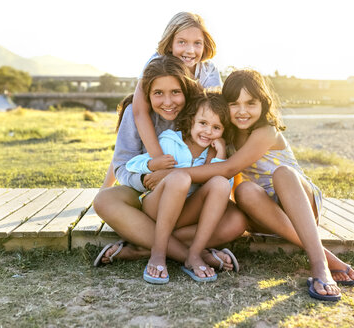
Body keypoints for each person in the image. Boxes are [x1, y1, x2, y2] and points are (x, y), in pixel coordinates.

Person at [144, 69, 354, 301]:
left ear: (263, 104)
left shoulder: (266, 131)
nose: (243, 111)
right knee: (243, 191)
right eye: (235, 104)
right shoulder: (226, 133)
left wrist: (171, 173)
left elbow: (228, 169)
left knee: (283, 173)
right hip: (261, 213)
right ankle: (148, 246)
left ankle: (321, 263)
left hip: (300, 206)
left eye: (251, 103)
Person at [93, 55, 245, 275]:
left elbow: (220, 181)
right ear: (147, 94)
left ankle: (140, 248)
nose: (168, 102)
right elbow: (124, 165)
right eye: (158, 93)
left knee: (236, 221)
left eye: (175, 92)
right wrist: (147, 176)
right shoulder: (160, 132)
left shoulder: (205, 115)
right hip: (153, 196)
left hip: (190, 206)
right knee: (104, 200)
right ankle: (192, 255)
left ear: (186, 92)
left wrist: (212, 158)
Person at [101, 12, 221, 188]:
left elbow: (217, 111)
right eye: (182, 42)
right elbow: (139, 110)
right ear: (170, 43)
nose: (189, 50)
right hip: (158, 116)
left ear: (205, 45)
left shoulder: (208, 71)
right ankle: (105, 188)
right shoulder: (156, 62)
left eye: (197, 43)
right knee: (131, 133)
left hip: (189, 117)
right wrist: (157, 160)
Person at [126, 91, 233, 283]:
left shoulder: (213, 153)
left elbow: (223, 192)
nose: (208, 131)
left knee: (221, 183)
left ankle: (194, 254)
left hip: (184, 214)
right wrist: (152, 166)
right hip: (155, 207)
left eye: (216, 127)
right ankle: (157, 253)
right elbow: (131, 165)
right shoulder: (170, 141)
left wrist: (220, 154)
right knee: (180, 178)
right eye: (203, 123)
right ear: (191, 120)